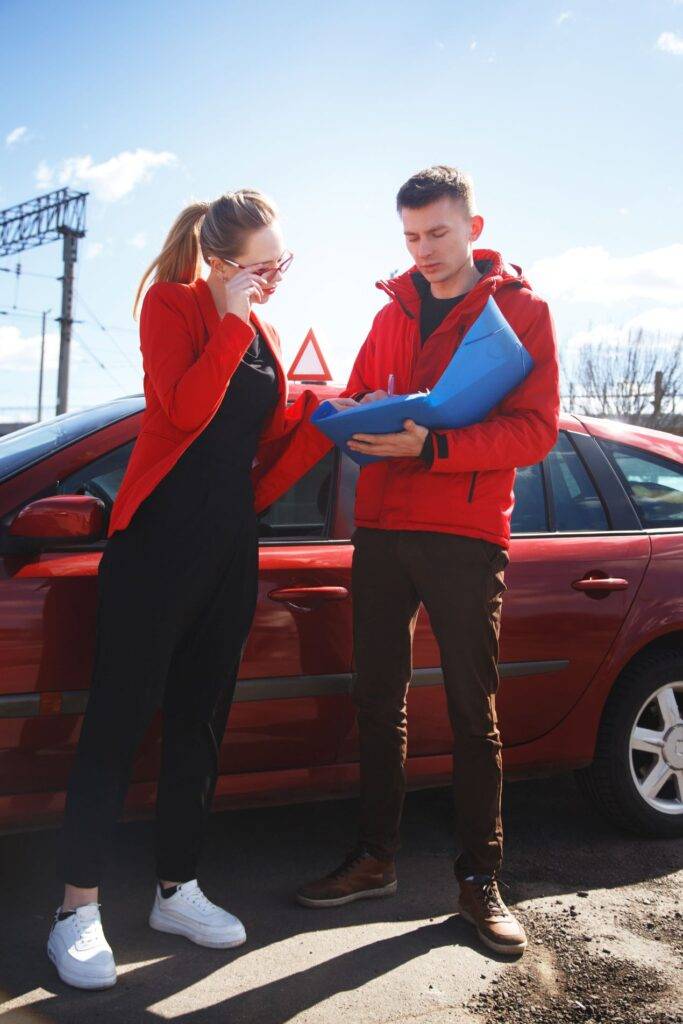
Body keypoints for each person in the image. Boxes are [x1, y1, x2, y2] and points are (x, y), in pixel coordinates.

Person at [48, 190, 332, 990]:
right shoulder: (173, 307)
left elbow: (262, 444)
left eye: (282, 263)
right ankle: (75, 908)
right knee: (118, 721)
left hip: (228, 551)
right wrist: (233, 317)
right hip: (156, 546)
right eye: (260, 266)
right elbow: (181, 408)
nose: (273, 279)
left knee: (200, 724)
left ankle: (177, 889)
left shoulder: (266, 332)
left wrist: (332, 415)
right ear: (218, 261)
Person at [296, 166, 560, 957]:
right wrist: (348, 412)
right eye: (410, 238)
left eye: (438, 234)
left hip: (465, 532)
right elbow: (358, 391)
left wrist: (434, 443)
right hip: (378, 527)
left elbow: (536, 431)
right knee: (376, 699)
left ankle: (480, 883)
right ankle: (374, 858)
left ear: (473, 229)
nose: (424, 251)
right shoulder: (389, 311)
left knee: (472, 713)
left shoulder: (523, 311)